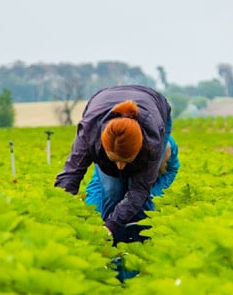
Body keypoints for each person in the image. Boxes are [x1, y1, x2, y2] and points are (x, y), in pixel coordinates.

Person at [55, 84, 175, 243]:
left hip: (156, 107)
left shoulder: (151, 142)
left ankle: (141, 242)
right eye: (114, 160)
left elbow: (140, 189)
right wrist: (58, 214)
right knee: (112, 190)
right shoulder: (89, 133)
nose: (120, 167)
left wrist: (113, 224)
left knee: (141, 198)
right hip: (102, 103)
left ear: (139, 150)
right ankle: (114, 245)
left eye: (126, 161)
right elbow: (70, 176)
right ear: (104, 147)